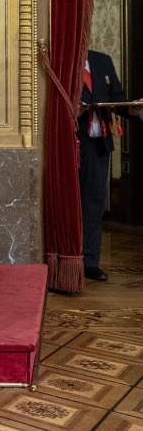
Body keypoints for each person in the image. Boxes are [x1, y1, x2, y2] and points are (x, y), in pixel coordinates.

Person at [78, 49, 142, 281]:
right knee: (69, 202)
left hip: (98, 145)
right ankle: (66, 258)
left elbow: (117, 96)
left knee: (93, 204)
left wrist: (131, 108)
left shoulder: (101, 61)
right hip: (71, 141)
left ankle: (90, 261)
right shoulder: (62, 59)